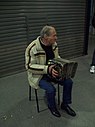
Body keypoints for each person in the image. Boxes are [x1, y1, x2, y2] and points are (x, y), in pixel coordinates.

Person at [25, 25, 76, 117]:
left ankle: (65, 104)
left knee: (69, 82)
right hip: (39, 75)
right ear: (45, 37)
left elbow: (57, 58)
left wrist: (63, 66)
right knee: (51, 89)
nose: (56, 38)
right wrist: (47, 69)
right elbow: (29, 66)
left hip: (54, 72)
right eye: (54, 35)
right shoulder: (32, 48)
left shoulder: (54, 45)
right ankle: (52, 107)